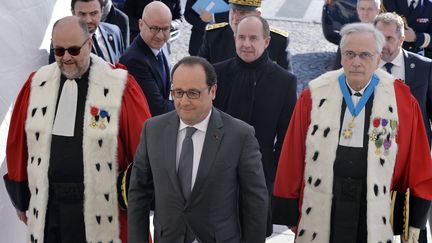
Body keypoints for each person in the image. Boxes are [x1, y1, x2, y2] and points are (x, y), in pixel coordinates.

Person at [272, 22, 432, 243]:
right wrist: (288, 208)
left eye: (365, 55)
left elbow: (419, 160)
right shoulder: (314, 96)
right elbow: (293, 153)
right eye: (349, 54)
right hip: (325, 205)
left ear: (378, 59)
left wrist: (416, 217)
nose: (356, 62)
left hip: (373, 210)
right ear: (341, 57)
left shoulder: (402, 101)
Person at [3, 16, 151, 243]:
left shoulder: (118, 85)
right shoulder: (37, 83)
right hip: (49, 207)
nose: (66, 58)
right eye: (59, 51)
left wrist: (133, 195)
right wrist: (22, 200)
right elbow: (18, 144)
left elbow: (144, 149)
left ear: (89, 44)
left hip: (101, 207)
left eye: (73, 50)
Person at [128, 56, 268, 243]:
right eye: (178, 92)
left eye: (193, 93)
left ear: (213, 91)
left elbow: (255, 203)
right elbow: (138, 193)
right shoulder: (153, 130)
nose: (184, 102)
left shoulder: (240, 135)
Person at [213, 15, 297, 237]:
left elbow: (287, 135)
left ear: (266, 41)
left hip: (260, 180)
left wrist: (271, 174)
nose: (246, 44)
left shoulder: (284, 81)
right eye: (241, 37)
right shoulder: (215, 73)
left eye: (253, 38)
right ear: (234, 38)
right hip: (217, 178)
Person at [374, 12, 432, 242]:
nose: (383, 44)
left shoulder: (424, 68)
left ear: (401, 39)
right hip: (376, 158)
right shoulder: (364, 66)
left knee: (415, 225)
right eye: (379, 37)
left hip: (414, 161)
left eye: (389, 38)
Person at [197, 0, 293, 71]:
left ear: (258, 14)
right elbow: (199, 73)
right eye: (233, 11)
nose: (235, 18)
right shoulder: (213, 36)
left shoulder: (279, 41)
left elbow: (287, 85)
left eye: (243, 13)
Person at [120, 1, 174, 116]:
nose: (160, 36)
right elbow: (158, 108)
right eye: (154, 28)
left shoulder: (161, 46)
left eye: (165, 29)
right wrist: (191, 104)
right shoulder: (134, 61)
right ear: (140, 25)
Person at [48, 0, 125, 64]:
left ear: (102, 11)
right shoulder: (61, 41)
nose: (88, 20)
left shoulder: (114, 31)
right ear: (73, 13)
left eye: (94, 13)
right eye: (82, 14)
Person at [334, 0, 381, 69]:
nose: (365, 13)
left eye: (370, 9)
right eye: (362, 9)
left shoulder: (385, 33)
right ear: (357, 10)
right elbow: (338, 65)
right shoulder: (348, 33)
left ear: (378, 11)